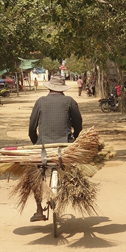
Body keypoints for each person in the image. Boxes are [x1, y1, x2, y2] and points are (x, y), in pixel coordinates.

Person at [27, 74, 83, 221]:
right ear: (62, 89)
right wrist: (76, 138)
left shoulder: (40, 102)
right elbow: (78, 125)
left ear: (50, 88)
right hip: (65, 147)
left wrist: (36, 143)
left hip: (43, 146)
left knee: (35, 174)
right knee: (72, 172)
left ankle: (39, 210)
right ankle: (64, 191)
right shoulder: (70, 101)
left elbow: (32, 128)